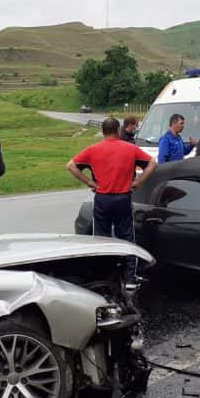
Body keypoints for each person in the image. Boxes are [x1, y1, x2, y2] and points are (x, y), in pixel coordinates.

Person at [67, 118, 157, 287]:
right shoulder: (130, 148)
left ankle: (104, 275)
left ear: (102, 131)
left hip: (102, 198)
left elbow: (71, 166)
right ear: (118, 130)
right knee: (127, 237)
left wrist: (89, 182)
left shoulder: (93, 150)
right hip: (123, 197)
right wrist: (138, 182)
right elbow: (152, 163)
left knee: (102, 237)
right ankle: (130, 277)